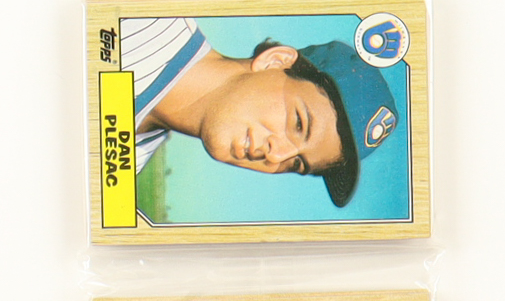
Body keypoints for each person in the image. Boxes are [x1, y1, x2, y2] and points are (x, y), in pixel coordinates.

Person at [119, 14, 399, 208]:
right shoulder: (138, 22)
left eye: (296, 164)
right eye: (299, 123)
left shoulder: (121, 172)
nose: (275, 156)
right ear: (275, 61)